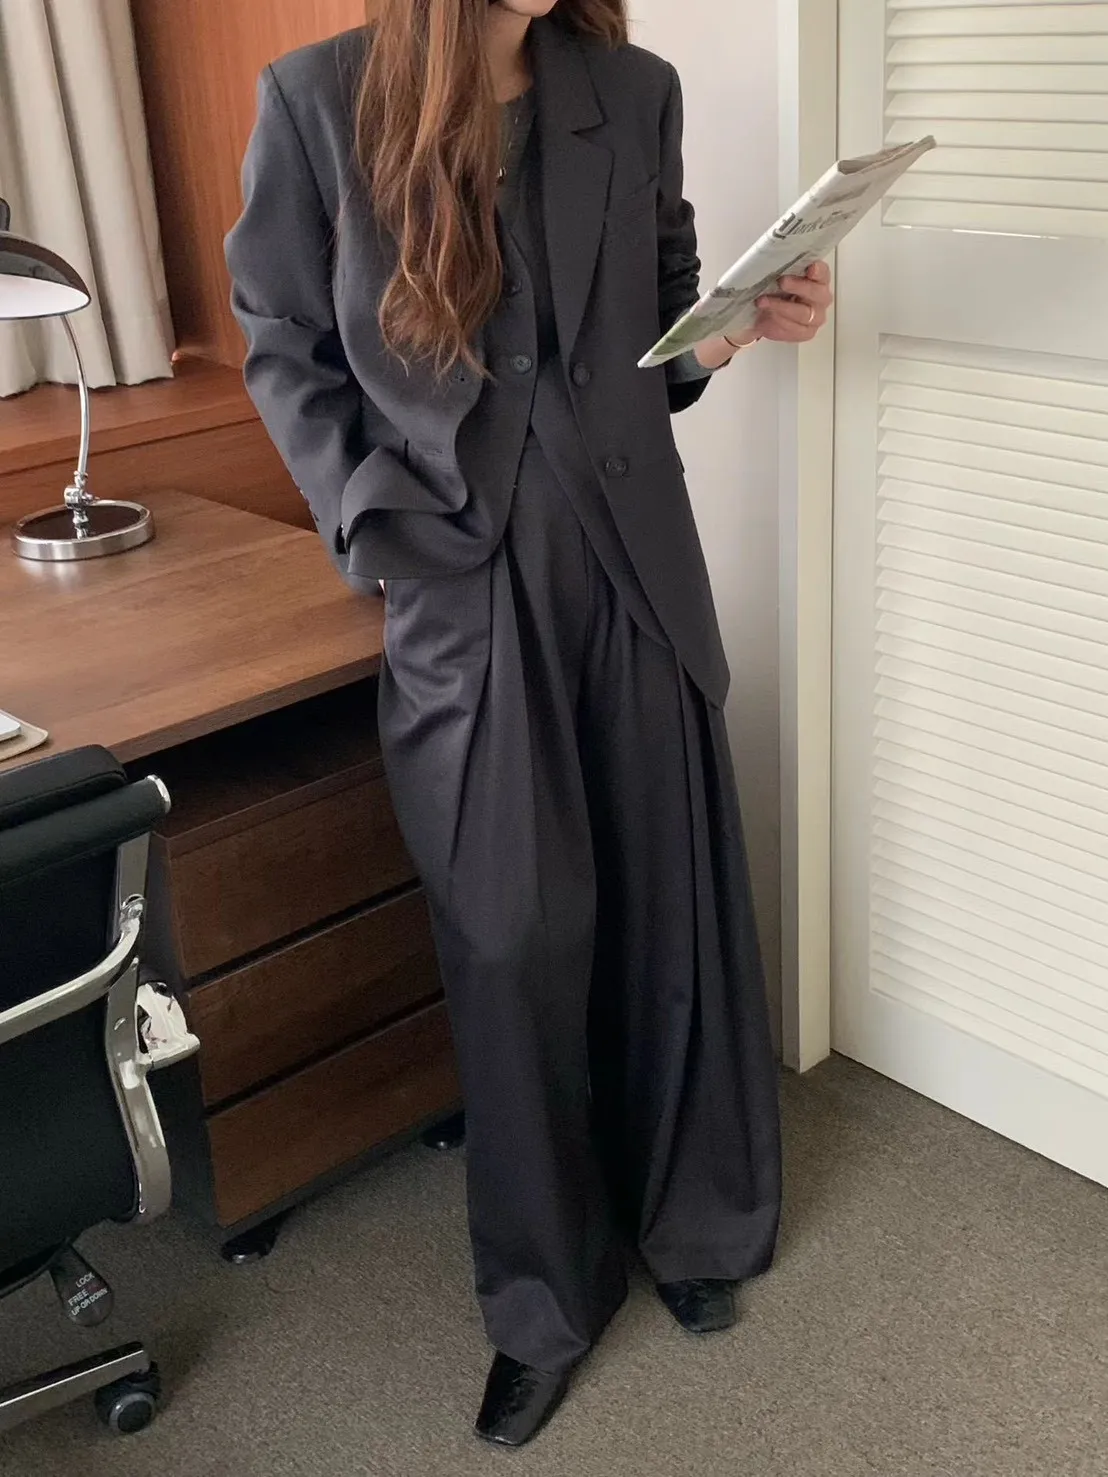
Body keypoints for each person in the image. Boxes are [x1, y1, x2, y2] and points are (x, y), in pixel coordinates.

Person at [226, 0, 832, 1448]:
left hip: (634, 556)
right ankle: (545, 1302)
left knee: (667, 900)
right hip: (460, 577)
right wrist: (372, 522)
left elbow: (660, 323)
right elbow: (281, 339)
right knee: (510, 938)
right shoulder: (317, 98)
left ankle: (691, 1222)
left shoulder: (634, 87)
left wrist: (739, 326)